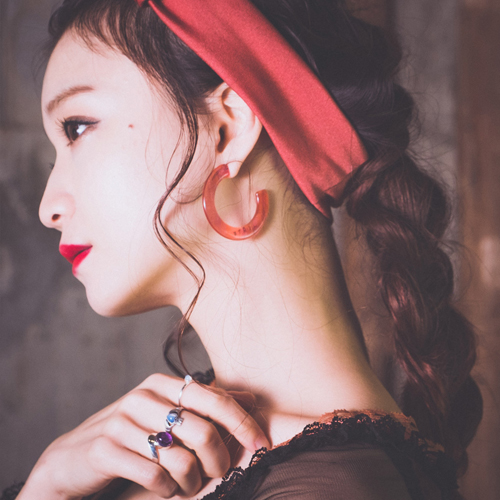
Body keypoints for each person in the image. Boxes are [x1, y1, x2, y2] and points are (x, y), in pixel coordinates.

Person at [2, 0, 483, 499]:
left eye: (78, 127)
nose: (48, 207)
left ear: (226, 127)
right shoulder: (154, 450)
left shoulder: (333, 489)